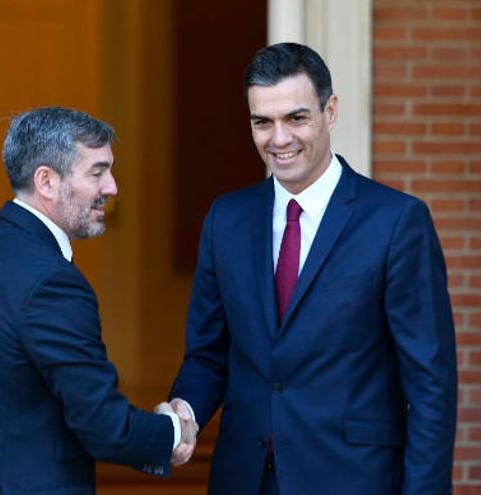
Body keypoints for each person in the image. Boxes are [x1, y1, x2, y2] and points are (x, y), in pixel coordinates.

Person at [168, 43, 457, 494]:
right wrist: (185, 410)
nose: (278, 139)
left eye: (296, 118)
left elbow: (429, 385)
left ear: (330, 110)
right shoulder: (226, 219)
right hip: (244, 479)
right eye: (262, 122)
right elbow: (208, 355)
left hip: (353, 479)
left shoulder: (396, 222)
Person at [0, 107, 196, 494]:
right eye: (97, 172)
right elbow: (103, 425)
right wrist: (173, 431)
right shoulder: (54, 283)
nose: (112, 187)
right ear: (47, 182)